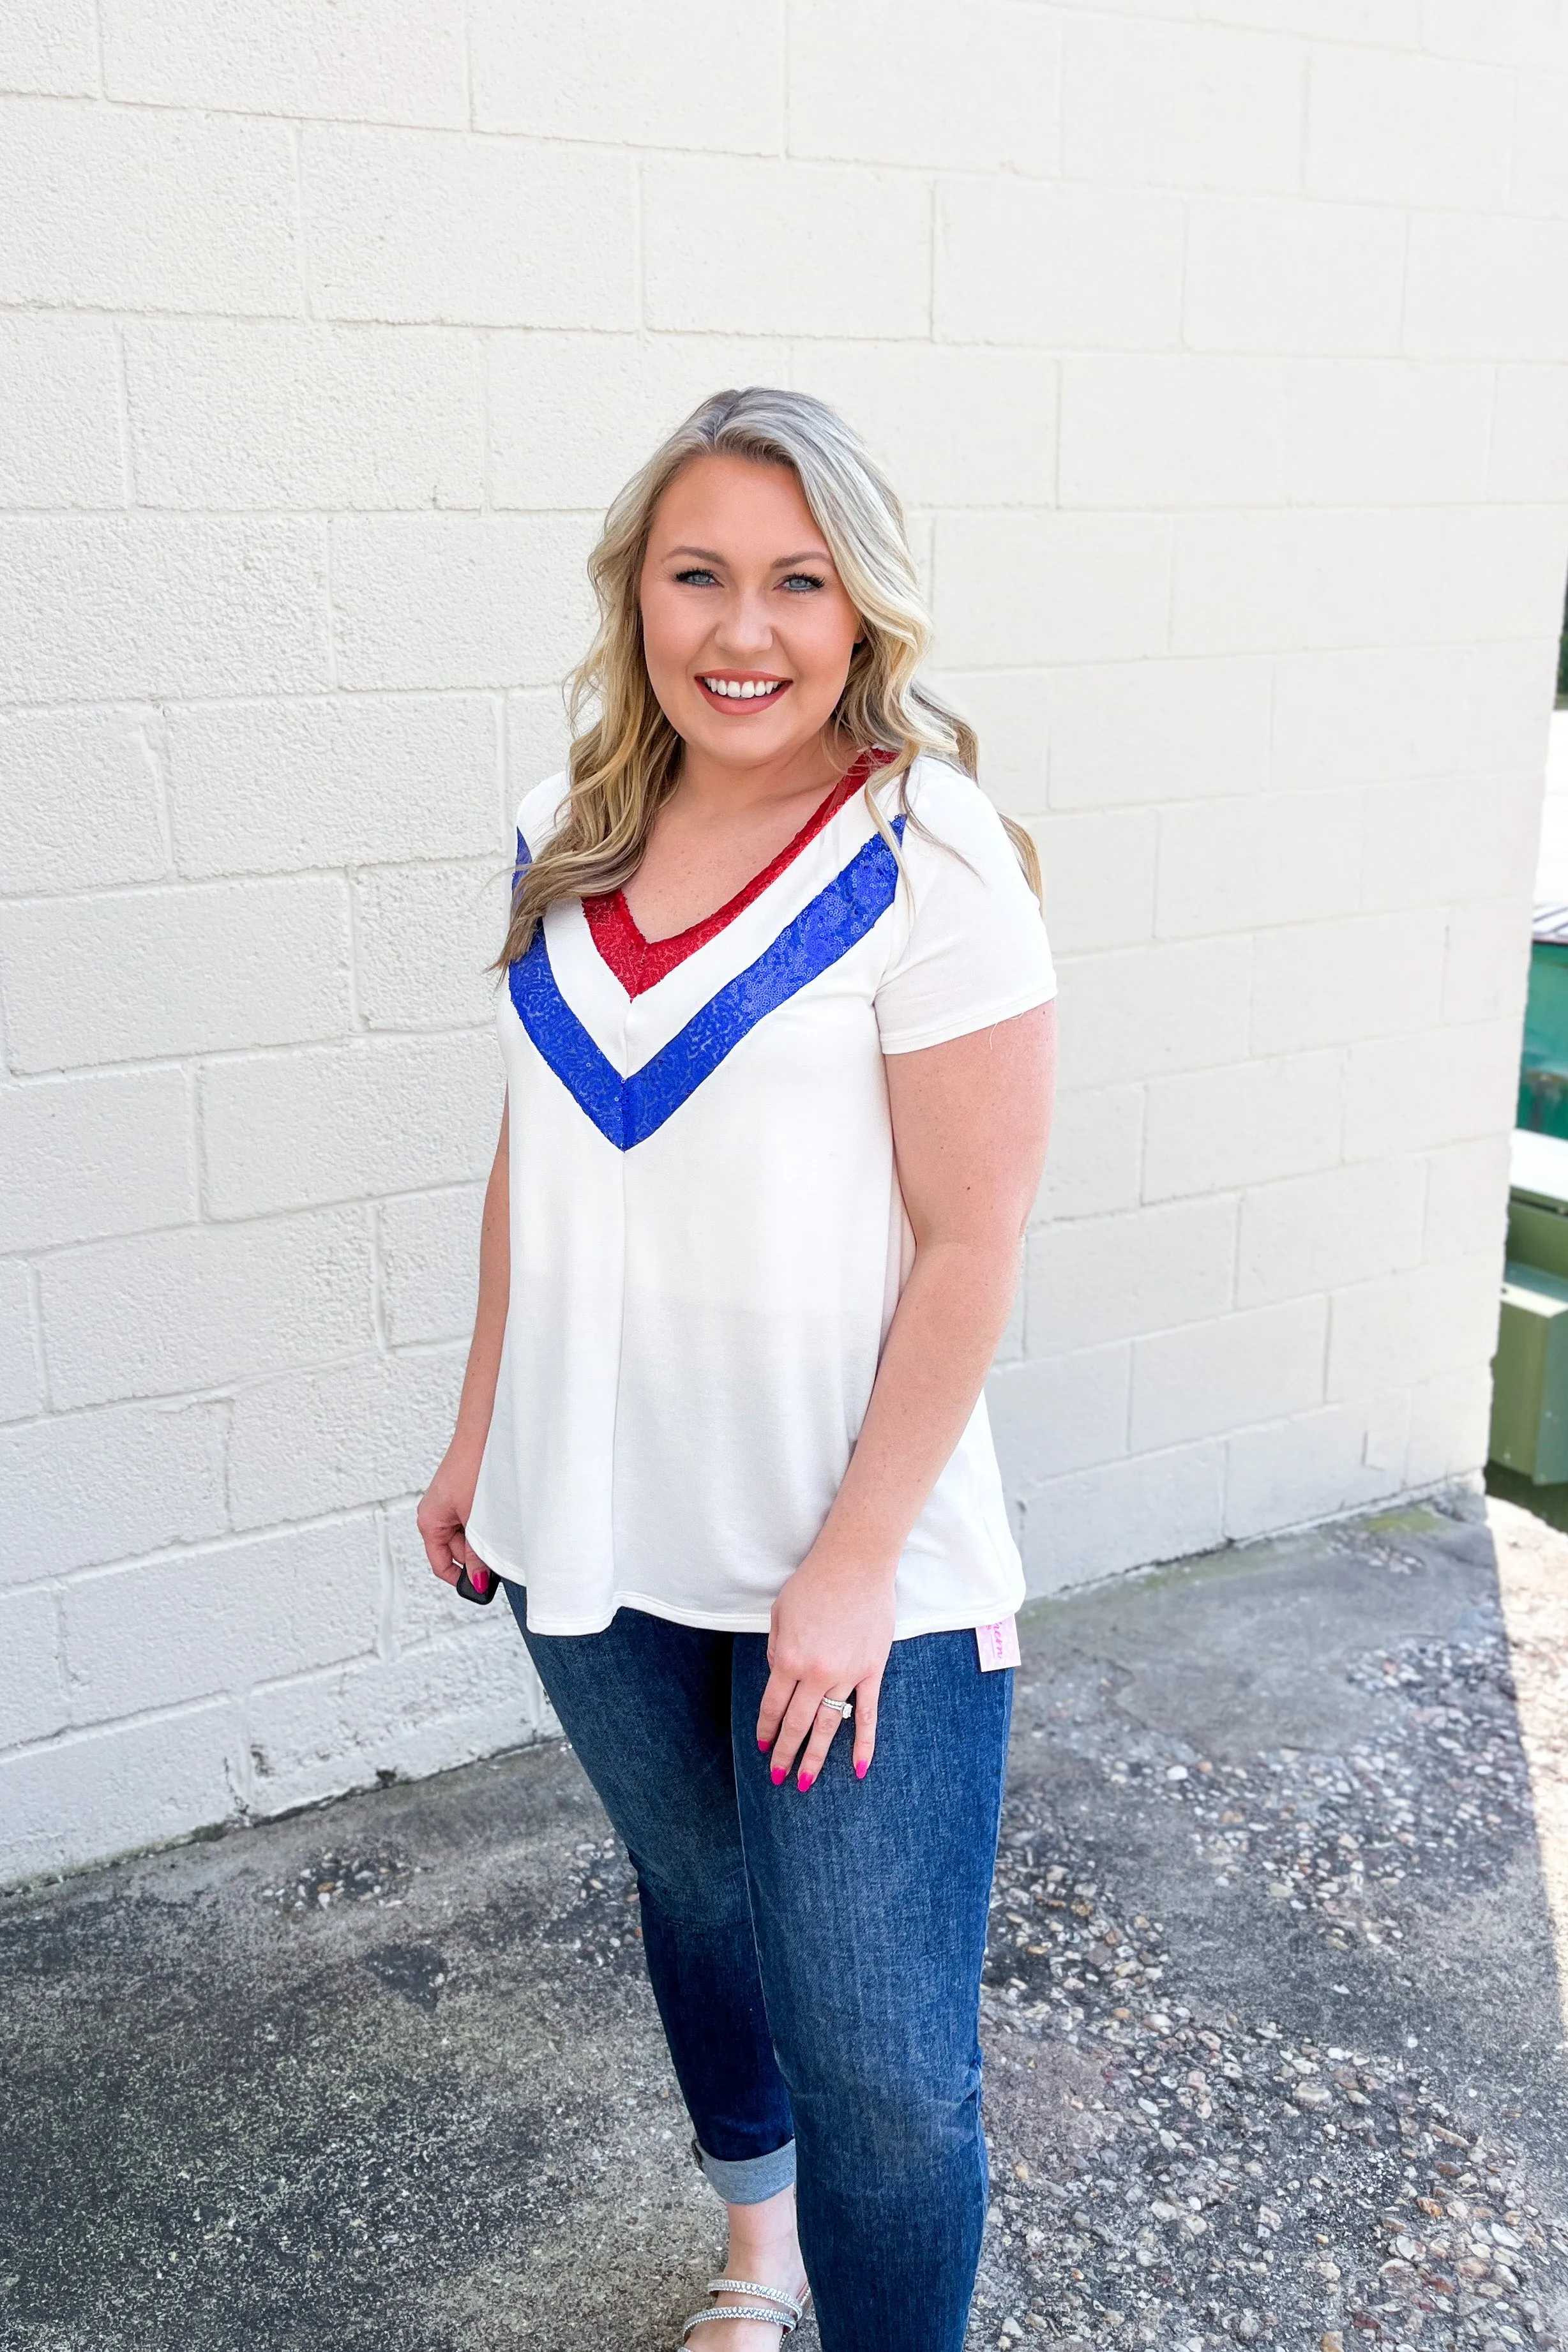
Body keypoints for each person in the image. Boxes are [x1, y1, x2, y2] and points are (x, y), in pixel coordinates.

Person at [418, 387, 1058, 2352]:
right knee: (698, 1899)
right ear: (637, 596)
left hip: (853, 1569)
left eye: (799, 580)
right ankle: (754, 2259)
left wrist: (853, 1570)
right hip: (589, 1529)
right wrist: (474, 1441)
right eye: (700, 573)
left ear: (863, 612)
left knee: (881, 2057)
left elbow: (972, 1242)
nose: (744, 628)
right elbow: (543, 1153)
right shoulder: (561, 830)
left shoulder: (930, 852)